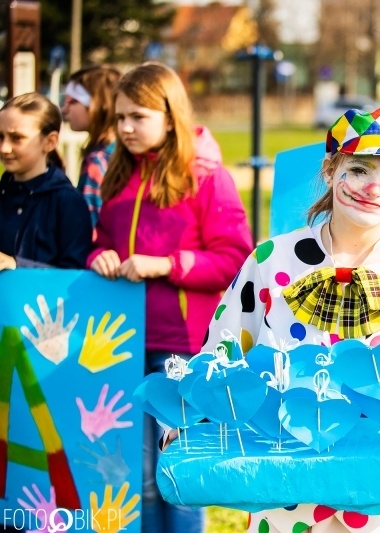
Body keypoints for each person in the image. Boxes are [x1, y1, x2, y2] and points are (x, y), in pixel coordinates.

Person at [201, 106, 380, 533]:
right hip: (288, 496)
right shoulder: (272, 261)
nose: (375, 189)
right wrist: (191, 420)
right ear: (329, 170)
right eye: (358, 170)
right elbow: (221, 354)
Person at [87, 62, 253, 533]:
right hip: (120, 344)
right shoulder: (117, 175)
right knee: (137, 479)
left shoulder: (206, 177)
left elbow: (236, 259)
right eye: (120, 117)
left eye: (137, 117)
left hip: (180, 350)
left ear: (169, 115)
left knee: (179, 475)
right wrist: (98, 255)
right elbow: (101, 239)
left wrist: (166, 265)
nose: (125, 128)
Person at [0, 92, 92, 271]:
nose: (5, 148)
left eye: (17, 138)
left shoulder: (67, 202)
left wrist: (16, 266)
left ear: (50, 141)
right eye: (0, 137)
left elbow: (75, 274)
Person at [62, 65, 122, 227]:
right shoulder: (123, 150)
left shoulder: (98, 161)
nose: (64, 109)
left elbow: (90, 225)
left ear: (97, 104)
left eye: (72, 101)